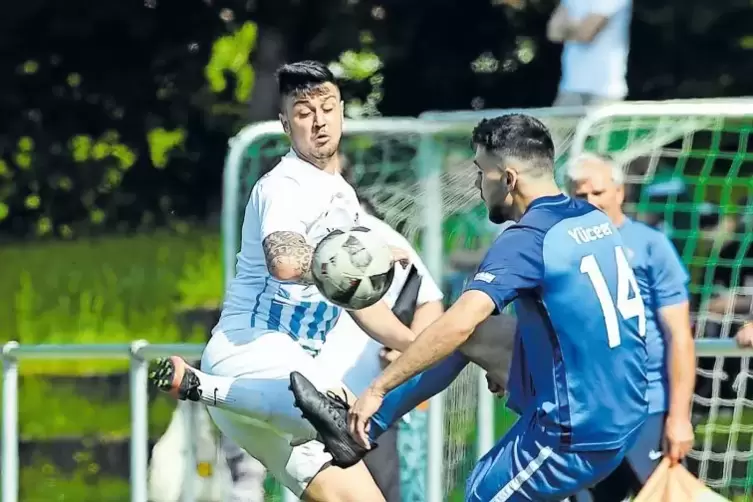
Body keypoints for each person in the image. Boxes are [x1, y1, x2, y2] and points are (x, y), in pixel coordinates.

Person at [291, 114, 650, 501]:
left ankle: (362, 420)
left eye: (481, 173)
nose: (478, 185)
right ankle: (356, 432)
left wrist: (378, 387)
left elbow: (459, 323)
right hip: (624, 404)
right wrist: (518, 367)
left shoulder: (527, 240)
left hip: (578, 429)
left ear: (508, 179)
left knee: (482, 491)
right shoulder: (590, 217)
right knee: (479, 334)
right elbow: (576, 314)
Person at [148, 60, 422, 502]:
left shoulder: (346, 198)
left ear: (342, 112)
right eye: (303, 112)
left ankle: (204, 390)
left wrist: (418, 346)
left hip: (272, 402)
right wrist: (346, 262)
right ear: (284, 123)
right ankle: (205, 387)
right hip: (254, 356)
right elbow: (284, 260)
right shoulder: (285, 185)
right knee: (342, 410)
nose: (318, 122)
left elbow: (360, 303)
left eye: (327, 108)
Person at [565, 153, 696, 501]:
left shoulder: (651, 246)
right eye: (581, 195)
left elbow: (680, 336)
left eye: (598, 193)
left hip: (647, 407)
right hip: (587, 414)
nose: (590, 203)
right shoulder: (560, 251)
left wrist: (679, 417)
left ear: (619, 192)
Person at [315, 191, 445, 502]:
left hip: (367, 407)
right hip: (298, 401)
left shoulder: (374, 236)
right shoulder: (287, 239)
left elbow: (429, 300)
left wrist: (407, 352)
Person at [547, 0, 632, 106]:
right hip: (570, 87)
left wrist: (567, 28)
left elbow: (585, 34)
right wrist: (579, 27)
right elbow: (553, 33)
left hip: (605, 91)